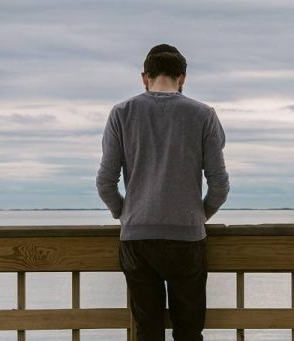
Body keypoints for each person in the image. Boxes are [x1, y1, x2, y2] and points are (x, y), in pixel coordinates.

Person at [96, 43, 229, 341]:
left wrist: (124, 212)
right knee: (189, 331)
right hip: (186, 237)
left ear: (144, 77)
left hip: (137, 238)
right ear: (182, 78)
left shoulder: (121, 113)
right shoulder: (203, 115)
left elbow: (105, 181)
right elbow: (219, 185)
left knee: (148, 331)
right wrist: (198, 214)